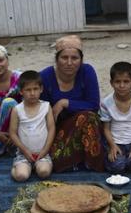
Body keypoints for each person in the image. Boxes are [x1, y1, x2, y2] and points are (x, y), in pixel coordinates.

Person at [40, 35, 104, 172]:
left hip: (85, 129)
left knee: (88, 117)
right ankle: (72, 161)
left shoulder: (86, 71)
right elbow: (39, 110)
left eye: (74, 58)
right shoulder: (46, 76)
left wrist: (65, 103)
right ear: (56, 59)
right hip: (55, 130)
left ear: (81, 60)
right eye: (64, 58)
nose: (69, 63)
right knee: (53, 162)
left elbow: (93, 105)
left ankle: (93, 166)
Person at [100, 61, 131, 173]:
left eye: (126, 81)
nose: (122, 85)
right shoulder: (105, 103)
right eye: (117, 81)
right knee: (117, 166)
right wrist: (112, 146)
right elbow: (106, 129)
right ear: (111, 83)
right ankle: (118, 159)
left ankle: (129, 159)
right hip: (116, 142)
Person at [8, 71, 55, 182]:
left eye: (35, 89)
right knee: (21, 176)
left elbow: (51, 128)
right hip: (23, 154)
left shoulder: (46, 106)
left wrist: (45, 150)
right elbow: (12, 133)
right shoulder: (17, 109)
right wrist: (24, 150)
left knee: (44, 173)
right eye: (28, 90)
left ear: (41, 89)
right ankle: (18, 168)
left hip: (42, 153)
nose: (32, 93)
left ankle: (38, 166)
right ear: (21, 91)